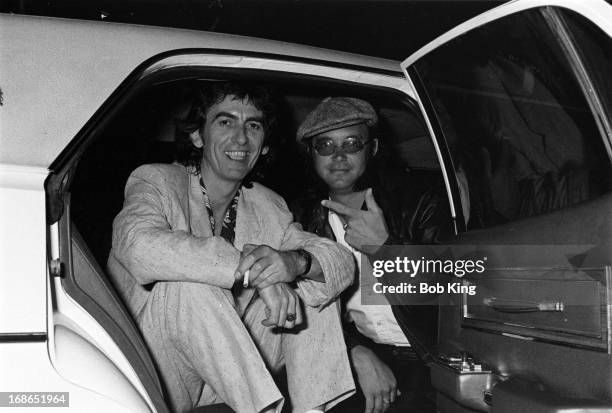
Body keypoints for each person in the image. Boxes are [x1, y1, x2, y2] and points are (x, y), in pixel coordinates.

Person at [107, 82, 356, 413]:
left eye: (253, 126)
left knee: (312, 281)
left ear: (263, 146)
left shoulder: (270, 205)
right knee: (188, 285)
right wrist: (255, 272)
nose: (241, 138)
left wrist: (293, 264)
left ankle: (312, 410)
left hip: (234, 371)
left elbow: (340, 262)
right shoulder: (157, 181)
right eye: (225, 122)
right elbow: (136, 246)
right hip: (158, 368)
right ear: (198, 136)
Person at [292, 97, 451, 413]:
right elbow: (305, 309)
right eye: (324, 145)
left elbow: (450, 288)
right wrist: (355, 353)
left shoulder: (419, 198)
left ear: (373, 148)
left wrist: (386, 248)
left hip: (430, 358)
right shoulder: (304, 219)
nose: (338, 156)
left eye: (351, 143)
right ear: (312, 155)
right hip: (364, 355)